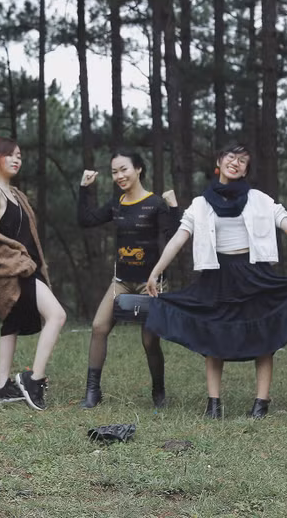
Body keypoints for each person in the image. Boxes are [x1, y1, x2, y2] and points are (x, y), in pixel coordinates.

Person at [145, 143, 287, 419]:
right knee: (214, 336)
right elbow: (179, 238)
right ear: (219, 161)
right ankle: (213, 405)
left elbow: (286, 223)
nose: (236, 162)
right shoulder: (201, 204)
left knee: (264, 336)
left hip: (254, 274)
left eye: (243, 160)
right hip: (217, 276)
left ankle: (261, 404)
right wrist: (156, 270)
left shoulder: (259, 199)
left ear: (246, 170)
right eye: (231, 157)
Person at [0, 137, 67, 411]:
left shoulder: (12, 192)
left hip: (26, 267)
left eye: (19, 155)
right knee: (57, 316)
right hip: (17, 270)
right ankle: (33, 379)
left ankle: (1, 388)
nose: (16, 160)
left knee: (11, 323)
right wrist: (15, 261)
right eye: (10, 155)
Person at [76, 152, 180, 409]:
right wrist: (84, 189)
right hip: (121, 280)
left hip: (150, 282)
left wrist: (174, 207)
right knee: (98, 327)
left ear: (139, 169)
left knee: (149, 340)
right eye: (114, 172)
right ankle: (92, 392)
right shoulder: (117, 204)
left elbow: (174, 238)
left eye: (124, 169)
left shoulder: (155, 203)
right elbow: (86, 220)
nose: (119, 176)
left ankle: (158, 392)